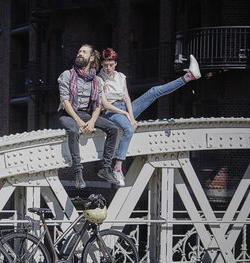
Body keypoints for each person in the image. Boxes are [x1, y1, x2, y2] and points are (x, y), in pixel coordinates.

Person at [99, 48, 201, 186]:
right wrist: (126, 115)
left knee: (153, 91)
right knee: (129, 130)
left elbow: (127, 98)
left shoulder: (120, 76)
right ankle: (117, 168)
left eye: (111, 64)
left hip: (125, 108)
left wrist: (132, 117)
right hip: (111, 112)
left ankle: (189, 77)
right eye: (105, 64)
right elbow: (105, 104)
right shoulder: (99, 79)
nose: (108, 68)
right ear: (101, 64)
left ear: (115, 63)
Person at [58, 45, 121, 189]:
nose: (80, 54)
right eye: (79, 51)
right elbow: (65, 101)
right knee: (73, 130)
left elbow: (98, 105)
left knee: (113, 128)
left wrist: (92, 121)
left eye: (84, 52)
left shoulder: (96, 80)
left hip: (86, 114)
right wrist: (79, 121)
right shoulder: (67, 75)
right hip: (67, 114)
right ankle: (78, 172)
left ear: (91, 58)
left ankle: (105, 168)